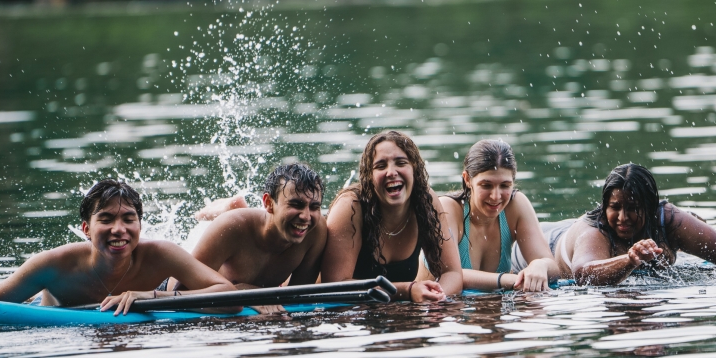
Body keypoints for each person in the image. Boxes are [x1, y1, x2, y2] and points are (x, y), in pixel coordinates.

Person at [0, 179, 236, 326]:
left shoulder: (160, 253)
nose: (119, 230)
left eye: (128, 219)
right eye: (106, 219)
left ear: (139, 225)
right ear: (86, 229)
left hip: (158, 294)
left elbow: (230, 297)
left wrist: (151, 297)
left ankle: (229, 213)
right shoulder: (54, 264)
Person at [548, 163, 716, 285]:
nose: (622, 218)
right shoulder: (594, 230)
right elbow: (583, 276)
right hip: (545, 244)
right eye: (615, 207)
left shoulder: (669, 220)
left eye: (632, 208)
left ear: (650, 208)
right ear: (605, 205)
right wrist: (629, 260)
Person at [321, 130, 463, 302]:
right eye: (380, 166)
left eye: (401, 163)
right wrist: (407, 290)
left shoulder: (425, 201)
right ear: (369, 177)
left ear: (414, 170)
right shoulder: (350, 207)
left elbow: (452, 273)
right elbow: (334, 287)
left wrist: (438, 299)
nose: (391, 172)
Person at [181, 163, 327, 290]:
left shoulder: (316, 230)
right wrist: (238, 292)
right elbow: (183, 290)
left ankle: (235, 206)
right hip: (184, 283)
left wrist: (254, 294)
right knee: (236, 224)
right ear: (268, 203)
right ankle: (225, 209)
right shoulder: (230, 227)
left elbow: (299, 297)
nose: (306, 217)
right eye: (296, 204)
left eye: (315, 207)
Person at [440, 140, 559, 292]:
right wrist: (507, 279)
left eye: (505, 185)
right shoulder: (447, 209)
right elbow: (448, 274)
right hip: (433, 310)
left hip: (491, 310)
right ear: (467, 179)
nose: (496, 196)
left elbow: (553, 268)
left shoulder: (516, 205)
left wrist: (540, 265)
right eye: (486, 185)